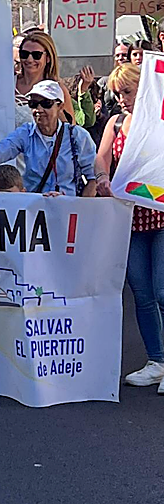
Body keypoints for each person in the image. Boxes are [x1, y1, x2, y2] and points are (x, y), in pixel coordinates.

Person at [90, 63, 164, 388]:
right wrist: (102, 177)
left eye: (127, 92)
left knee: (162, 291)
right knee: (142, 293)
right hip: (129, 221)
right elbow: (101, 156)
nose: (121, 99)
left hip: (161, 218)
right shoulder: (117, 123)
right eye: (117, 93)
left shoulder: (159, 122)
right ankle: (157, 360)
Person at [0, 80, 97, 197]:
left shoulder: (77, 135)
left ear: (59, 105)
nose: (38, 109)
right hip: (34, 212)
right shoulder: (25, 133)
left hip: (66, 210)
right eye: (33, 104)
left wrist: (80, 209)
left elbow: (92, 179)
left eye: (46, 103)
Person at [14, 31, 73, 120]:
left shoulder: (57, 89)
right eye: (24, 54)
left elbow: (70, 129)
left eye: (36, 55)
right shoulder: (8, 84)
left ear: (48, 58)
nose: (29, 59)